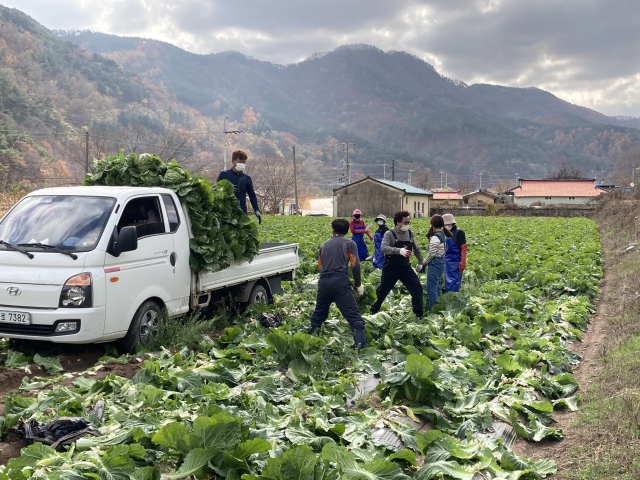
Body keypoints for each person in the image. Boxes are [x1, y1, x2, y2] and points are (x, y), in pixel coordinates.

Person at [309, 218, 367, 349]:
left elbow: (320, 266)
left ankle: (310, 345)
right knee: (355, 318)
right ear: (347, 231)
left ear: (332, 230)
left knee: (318, 315)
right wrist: (358, 284)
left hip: (323, 282)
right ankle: (362, 350)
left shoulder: (324, 245)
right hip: (340, 281)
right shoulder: (349, 243)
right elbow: (355, 265)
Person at [369, 211, 424, 318]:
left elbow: (417, 249)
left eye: (409, 222)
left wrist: (420, 262)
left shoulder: (410, 234)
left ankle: (418, 315)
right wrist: (399, 251)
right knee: (383, 290)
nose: (407, 225)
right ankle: (373, 311)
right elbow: (384, 247)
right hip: (391, 267)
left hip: (405, 267)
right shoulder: (389, 234)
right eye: (405, 222)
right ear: (398, 222)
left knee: (417, 288)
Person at [216, 149, 262, 224]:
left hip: (242, 212)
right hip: (226, 212)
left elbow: (252, 195)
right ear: (233, 161)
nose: (242, 164)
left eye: (244, 162)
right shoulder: (224, 175)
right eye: (240, 162)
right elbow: (216, 191)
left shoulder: (247, 178)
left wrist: (256, 210)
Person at [424, 215, 452, 311]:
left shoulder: (435, 237)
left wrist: (424, 262)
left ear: (432, 224)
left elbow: (432, 252)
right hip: (441, 262)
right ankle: (440, 309)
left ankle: (434, 311)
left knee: (431, 290)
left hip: (435, 263)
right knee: (437, 288)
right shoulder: (442, 235)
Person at [442, 213, 467, 293]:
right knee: (448, 282)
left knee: (455, 283)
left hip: (456, 261)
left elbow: (463, 248)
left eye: (445, 225)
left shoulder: (459, 233)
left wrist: (463, 261)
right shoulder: (446, 233)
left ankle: (454, 300)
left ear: (450, 223)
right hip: (447, 261)